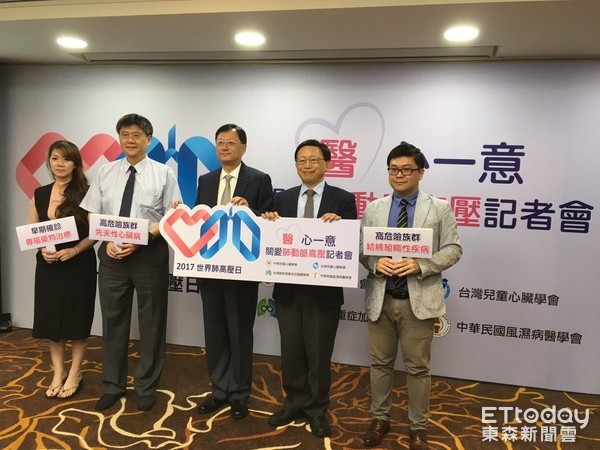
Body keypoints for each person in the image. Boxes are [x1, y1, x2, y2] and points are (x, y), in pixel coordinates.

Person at [359, 142, 462, 449]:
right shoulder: (375, 208)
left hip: (418, 300)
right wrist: (374, 262)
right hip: (382, 298)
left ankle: (418, 427)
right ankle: (380, 419)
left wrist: (421, 265)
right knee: (380, 364)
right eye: (394, 169)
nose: (399, 175)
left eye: (406, 169)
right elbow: (362, 250)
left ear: (421, 173)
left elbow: (453, 249)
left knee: (417, 367)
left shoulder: (438, 208)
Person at [80, 113, 181, 412]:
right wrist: (108, 239)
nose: (130, 140)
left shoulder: (164, 173)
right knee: (112, 322)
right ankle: (112, 385)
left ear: (148, 139)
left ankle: (146, 386)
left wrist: (141, 239)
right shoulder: (105, 171)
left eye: (137, 135)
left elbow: (171, 216)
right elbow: (92, 212)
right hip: (111, 254)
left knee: (152, 322)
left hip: (149, 253)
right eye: (125, 134)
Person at [262, 139, 357, 438]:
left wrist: (339, 224)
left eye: (314, 159)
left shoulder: (343, 199)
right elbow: (272, 237)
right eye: (301, 160)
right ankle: (294, 402)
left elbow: (351, 241)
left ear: (327, 164)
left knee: (318, 354)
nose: (307, 165)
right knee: (291, 351)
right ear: (296, 165)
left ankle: (316, 408)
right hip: (289, 289)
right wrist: (268, 220)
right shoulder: (283, 198)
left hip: (323, 292)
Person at [195, 123, 273, 420]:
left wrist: (250, 211)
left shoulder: (259, 179)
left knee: (240, 333)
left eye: (230, 142)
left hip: (243, 271)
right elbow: (199, 221)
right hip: (211, 270)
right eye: (220, 142)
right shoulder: (206, 180)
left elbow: (270, 220)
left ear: (243, 147)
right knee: (215, 332)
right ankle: (219, 390)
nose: (224, 147)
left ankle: (239, 393)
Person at [28, 140, 97, 400]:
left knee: (77, 321)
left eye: (66, 159)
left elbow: (96, 232)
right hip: (49, 265)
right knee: (53, 321)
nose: (60, 164)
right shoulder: (39, 193)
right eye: (55, 158)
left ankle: (75, 372)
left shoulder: (87, 193)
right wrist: (42, 249)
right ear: (49, 162)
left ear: (75, 164)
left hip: (79, 264)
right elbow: (33, 230)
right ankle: (58, 372)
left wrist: (75, 250)